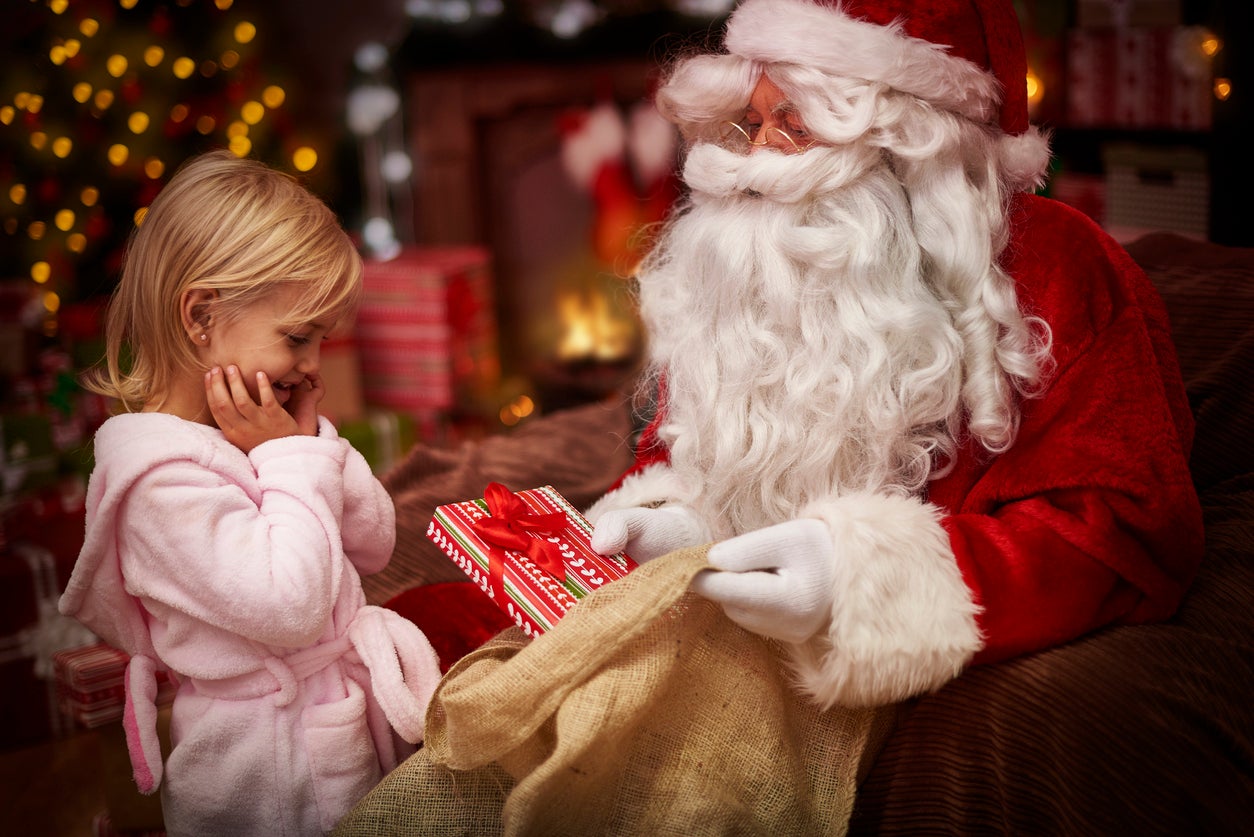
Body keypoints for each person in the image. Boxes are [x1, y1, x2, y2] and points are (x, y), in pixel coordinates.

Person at [588, 0, 1205, 709]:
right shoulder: (741, 260)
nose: (758, 159)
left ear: (907, 138)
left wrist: (857, 579)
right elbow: (682, 446)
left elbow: (1123, 530)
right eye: (748, 124)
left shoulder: (1055, 259)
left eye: (797, 122)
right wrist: (677, 524)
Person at [58, 150, 442, 836]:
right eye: (297, 336)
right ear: (201, 317)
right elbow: (289, 606)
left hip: (328, 729)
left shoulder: (263, 436)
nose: (313, 363)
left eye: (321, 340)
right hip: (263, 773)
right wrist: (286, 456)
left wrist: (310, 440)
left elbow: (373, 540)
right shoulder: (158, 483)